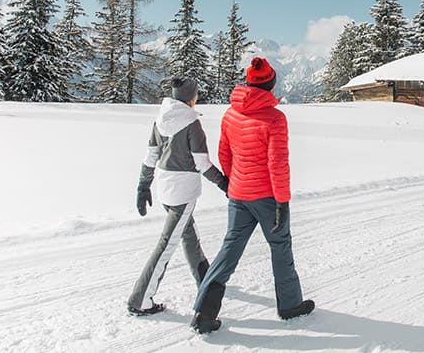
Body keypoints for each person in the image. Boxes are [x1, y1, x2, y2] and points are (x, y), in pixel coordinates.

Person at [190, 57, 314, 334]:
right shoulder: (275, 118)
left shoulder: (230, 114)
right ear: (270, 83)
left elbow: (224, 153)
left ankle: (204, 312)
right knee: (280, 246)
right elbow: (277, 163)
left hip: (239, 194)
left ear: (248, 82)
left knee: (229, 249)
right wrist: (282, 201)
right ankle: (290, 305)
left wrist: (235, 181)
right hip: (268, 197)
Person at [127, 77, 229, 316]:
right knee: (167, 244)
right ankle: (140, 299)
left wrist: (143, 186)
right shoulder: (191, 122)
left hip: (164, 187)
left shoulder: (161, 117)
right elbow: (202, 163)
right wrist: (224, 183)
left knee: (188, 234)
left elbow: (151, 156)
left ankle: (204, 278)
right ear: (191, 98)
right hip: (183, 190)